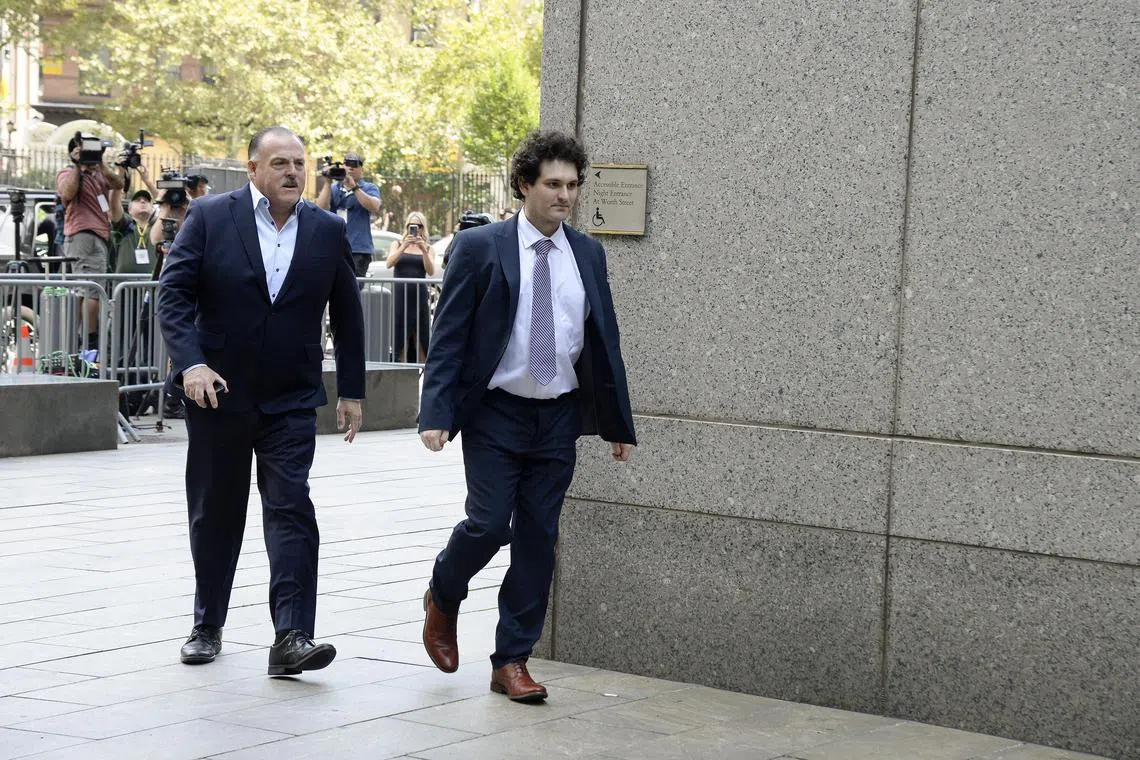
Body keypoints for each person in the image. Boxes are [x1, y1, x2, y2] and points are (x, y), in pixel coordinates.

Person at [417, 130, 637, 703]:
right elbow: (449, 337)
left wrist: (616, 424)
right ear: (524, 185)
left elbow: (602, 341)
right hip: (496, 412)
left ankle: (511, 660)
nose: (565, 196)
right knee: (488, 525)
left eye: (572, 185)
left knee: (538, 537)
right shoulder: (482, 246)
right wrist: (435, 413)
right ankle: (444, 591)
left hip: (557, 417)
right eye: (553, 184)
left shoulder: (587, 252)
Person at [157, 125, 366, 676]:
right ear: (253, 169)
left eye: (299, 163)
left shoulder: (326, 229)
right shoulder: (208, 217)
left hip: (292, 398)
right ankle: (207, 623)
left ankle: (292, 636)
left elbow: (346, 312)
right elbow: (173, 294)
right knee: (216, 512)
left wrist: (352, 390)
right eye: (280, 163)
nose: (293, 172)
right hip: (217, 395)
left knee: (292, 506)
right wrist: (192, 363)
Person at [55, 133, 125, 349]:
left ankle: (79, 340)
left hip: (99, 236)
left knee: (85, 289)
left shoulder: (99, 175)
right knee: (91, 288)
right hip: (83, 235)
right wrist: (78, 165)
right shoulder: (67, 173)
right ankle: (89, 341)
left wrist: (100, 163)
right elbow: (67, 192)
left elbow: (119, 183)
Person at [316, 151, 381, 277]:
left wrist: (354, 187)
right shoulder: (334, 188)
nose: (350, 167)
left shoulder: (369, 187)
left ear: (362, 168)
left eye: (355, 164)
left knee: (353, 289)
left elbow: (374, 206)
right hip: (334, 247)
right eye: (347, 163)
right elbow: (320, 209)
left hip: (358, 249)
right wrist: (328, 182)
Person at [386, 211, 434, 362]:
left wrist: (423, 250)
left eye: (418, 226)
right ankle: (402, 373)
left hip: (419, 295)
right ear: (406, 227)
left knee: (420, 335)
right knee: (401, 334)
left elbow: (431, 271)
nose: (415, 229)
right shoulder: (397, 243)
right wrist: (404, 246)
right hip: (401, 295)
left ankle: (422, 374)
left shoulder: (427, 247)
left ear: (423, 228)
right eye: (411, 226)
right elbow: (389, 263)